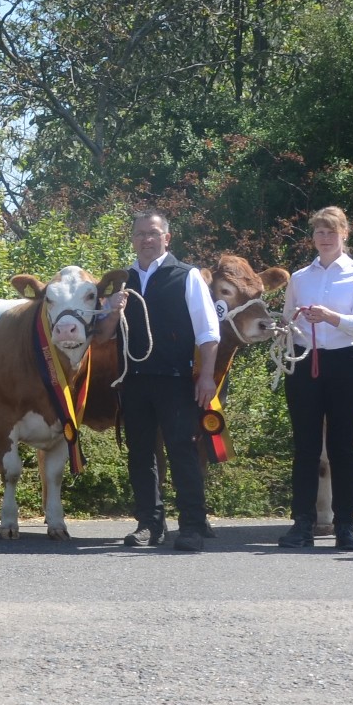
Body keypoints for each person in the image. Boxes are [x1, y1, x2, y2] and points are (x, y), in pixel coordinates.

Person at [114, 208, 223, 552]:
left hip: (175, 380)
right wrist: (110, 309)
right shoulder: (121, 280)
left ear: (167, 238)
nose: (146, 239)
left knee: (182, 451)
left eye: (153, 233)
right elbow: (102, 334)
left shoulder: (186, 275)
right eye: (140, 234)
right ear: (132, 240)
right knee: (140, 453)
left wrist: (206, 378)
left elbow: (208, 333)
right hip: (133, 379)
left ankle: (191, 525)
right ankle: (149, 523)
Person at [278, 207, 353, 551]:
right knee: (305, 446)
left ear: (344, 235)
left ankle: (345, 526)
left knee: (341, 448)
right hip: (307, 363)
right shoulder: (300, 277)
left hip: (347, 364)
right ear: (313, 236)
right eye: (319, 232)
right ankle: (302, 524)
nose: (325, 238)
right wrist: (288, 323)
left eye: (331, 232)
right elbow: (288, 320)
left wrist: (331, 317)